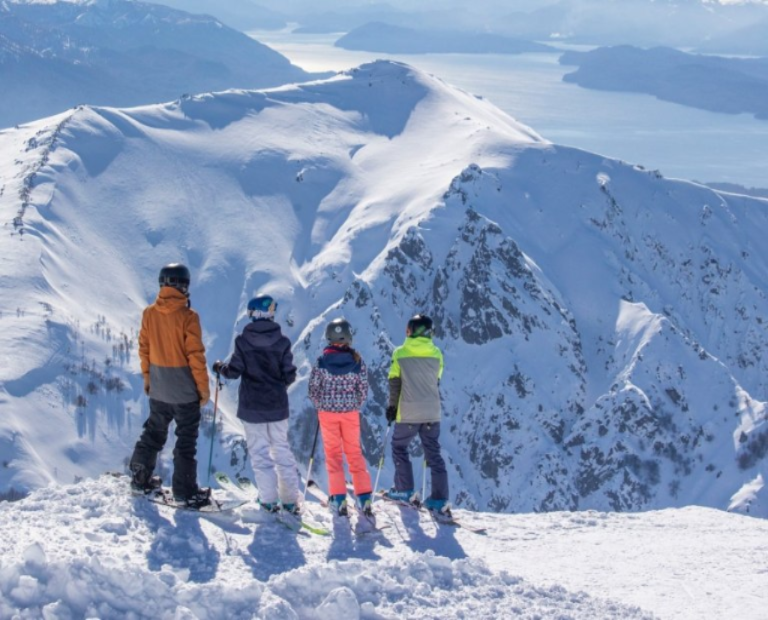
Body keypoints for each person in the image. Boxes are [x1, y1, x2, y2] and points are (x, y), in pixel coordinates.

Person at [129, 263, 211, 508]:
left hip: (159, 388)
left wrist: (148, 380)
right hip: (185, 392)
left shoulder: (149, 314)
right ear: (184, 286)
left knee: (153, 433)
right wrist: (203, 391)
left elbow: (144, 350)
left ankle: (140, 479)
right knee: (185, 441)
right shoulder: (189, 317)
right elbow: (195, 356)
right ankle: (185, 492)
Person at [212, 295, 301, 514]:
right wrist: (278, 386)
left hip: (252, 407)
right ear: (269, 313)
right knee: (281, 450)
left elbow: (233, 372)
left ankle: (268, 501)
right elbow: (290, 375)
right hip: (277, 405)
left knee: (260, 454)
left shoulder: (243, 341)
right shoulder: (282, 342)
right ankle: (290, 500)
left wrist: (219, 367)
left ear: (253, 314)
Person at [385, 313, 450, 515]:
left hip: (408, 412)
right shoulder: (437, 354)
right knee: (433, 453)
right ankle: (439, 499)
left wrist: (392, 408)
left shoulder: (400, 353)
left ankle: (404, 490)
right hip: (432, 411)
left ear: (410, 331)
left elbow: (395, 383)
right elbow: (436, 380)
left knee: (399, 447)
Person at [308, 318, 372, 516]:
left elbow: (313, 390)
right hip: (350, 413)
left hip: (327, 414)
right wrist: (354, 404)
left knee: (333, 456)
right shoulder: (357, 362)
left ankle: (339, 499)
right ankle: (364, 498)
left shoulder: (321, 362)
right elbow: (362, 389)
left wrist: (321, 405)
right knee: (354, 454)